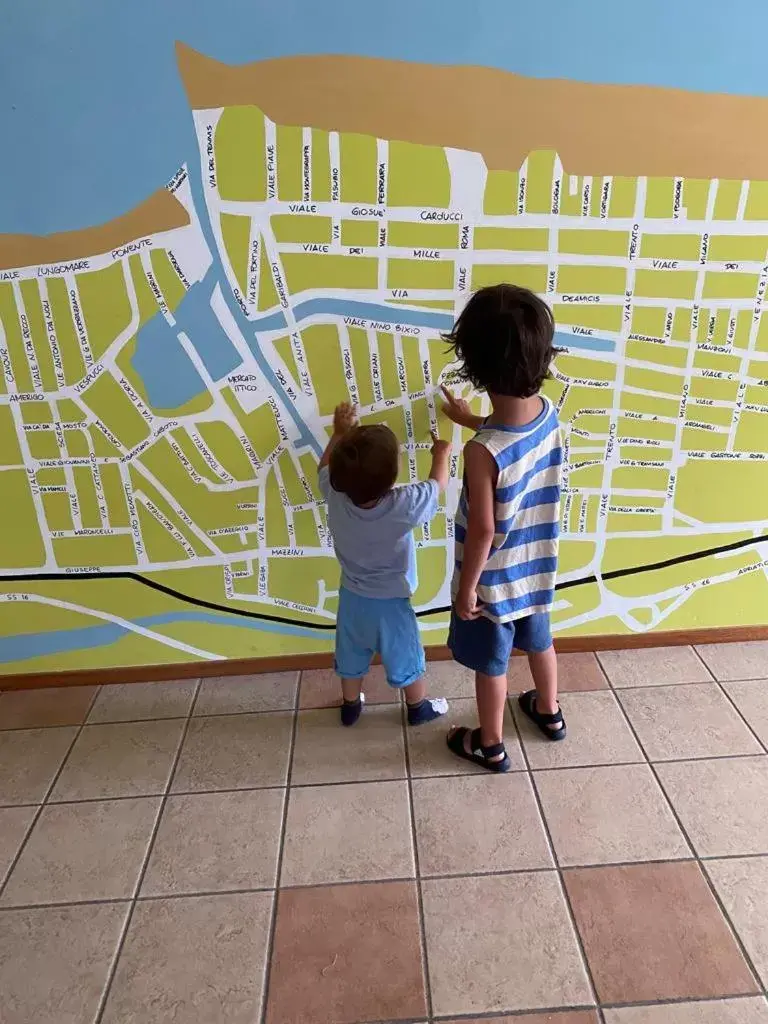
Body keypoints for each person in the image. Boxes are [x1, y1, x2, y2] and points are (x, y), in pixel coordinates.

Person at [441, 282, 566, 772]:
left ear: (474, 365)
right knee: (540, 641)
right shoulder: (548, 413)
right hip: (536, 570)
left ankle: (489, 743)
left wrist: (466, 589)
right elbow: (511, 445)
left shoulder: (479, 452)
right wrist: (474, 420)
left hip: (493, 585)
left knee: (492, 665)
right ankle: (548, 712)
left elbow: (483, 532)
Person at [319, 401, 452, 726]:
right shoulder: (402, 505)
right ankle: (418, 707)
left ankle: (351, 706)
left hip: (352, 596)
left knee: (350, 654)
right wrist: (441, 454)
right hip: (392, 602)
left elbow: (323, 468)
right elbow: (438, 485)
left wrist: (338, 434)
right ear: (391, 478)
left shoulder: (335, 496)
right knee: (406, 656)